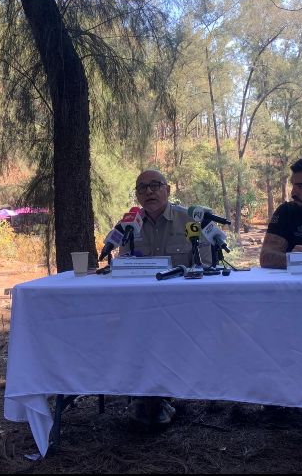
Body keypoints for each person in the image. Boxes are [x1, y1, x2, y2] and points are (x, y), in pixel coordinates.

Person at [119, 169, 214, 428]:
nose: (148, 191)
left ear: (168, 190)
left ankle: (157, 397)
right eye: (142, 187)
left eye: (155, 185)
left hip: (184, 307)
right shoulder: (130, 224)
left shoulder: (188, 220)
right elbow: (123, 266)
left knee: (159, 333)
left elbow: (205, 264)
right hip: (142, 308)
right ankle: (149, 396)